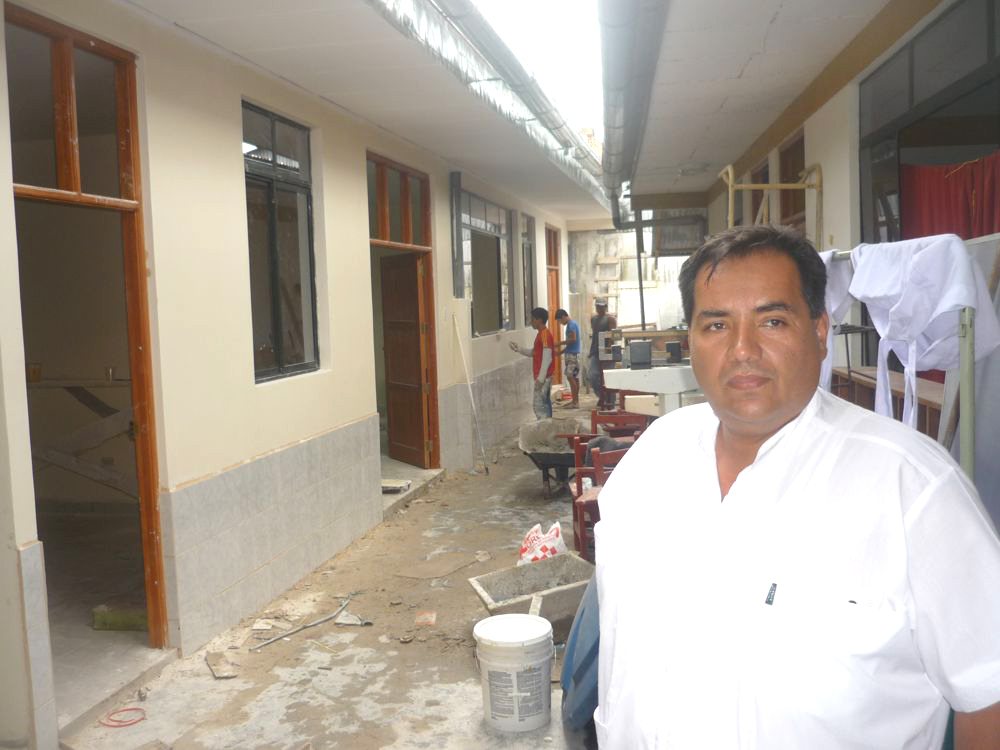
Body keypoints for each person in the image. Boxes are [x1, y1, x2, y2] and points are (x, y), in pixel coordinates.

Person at [594, 226, 1000, 749]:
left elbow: (988, 692)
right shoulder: (650, 462)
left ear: (819, 330)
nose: (742, 350)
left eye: (772, 321)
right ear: (690, 340)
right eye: (716, 324)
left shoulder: (912, 489)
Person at [510, 307, 555, 419]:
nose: (531, 321)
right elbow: (533, 353)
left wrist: (540, 379)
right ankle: (548, 426)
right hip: (544, 377)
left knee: (539, 407)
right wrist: (518, 349)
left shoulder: (544, 335)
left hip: (543, 378)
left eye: (533, 319)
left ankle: (544, 427)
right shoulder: (541, 334)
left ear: (539, 320)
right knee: (545, 404)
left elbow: (547, 358)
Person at [588, 298, 617, 410]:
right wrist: (592, 352)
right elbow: (595, 335)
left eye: (602, 306)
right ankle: (603, 397)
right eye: (598, 306)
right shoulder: (593, 319)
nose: (599, 308)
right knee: (593, 376)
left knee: (609, 378)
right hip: (595, 352)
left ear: (605, 307)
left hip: (608, 353)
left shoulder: (610, 319)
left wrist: (608, 349)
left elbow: (613, 336)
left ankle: (611, 403)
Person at [555, 308, 581, 407]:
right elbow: (571, 344)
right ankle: (575, 401)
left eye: (559, 321)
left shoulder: (571, 325)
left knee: (570, 377)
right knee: (574, 378)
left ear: (563, 317)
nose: (560, 323)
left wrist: (559, 343)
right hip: (573, 354)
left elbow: (573, 339)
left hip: (572, 356)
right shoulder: (573, 324)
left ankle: (575, 402)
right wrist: (560, 352)